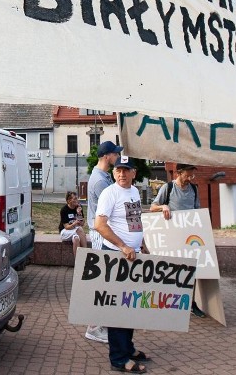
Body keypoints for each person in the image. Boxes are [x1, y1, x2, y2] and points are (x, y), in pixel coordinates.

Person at [95, 155, 151, 373]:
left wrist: (141, 243)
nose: (122, 174)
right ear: (113, 172)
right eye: (118, 170)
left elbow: (134, 221)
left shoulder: (134, 192)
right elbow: (100, 225)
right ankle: (119, 358)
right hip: (118, 256)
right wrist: (123, 246)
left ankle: (128, 348)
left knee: (130, 305)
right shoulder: (110, 193)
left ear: (134, 173)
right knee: (118, 308)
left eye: (126, 170)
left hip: (134, 256)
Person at [148, 162, 207, 318]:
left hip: (189, 238)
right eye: (187, 175)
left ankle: (191, 303)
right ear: (178, 173)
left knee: (191, 271)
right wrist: (164, 207)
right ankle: (169, 303)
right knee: (170, 270)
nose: (190, 178)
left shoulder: (194, 189)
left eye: (192, 175)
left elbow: (197, 211)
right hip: (171, 237)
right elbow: (152, 207)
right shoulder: (167, 188)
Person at [84, 140, 122, 343]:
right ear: (107, 156)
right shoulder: (99, 180)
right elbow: (112, 207)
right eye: (115, 154)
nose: (117, 157)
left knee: (106, 279)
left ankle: (101, 323)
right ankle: (94, 327)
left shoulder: (103, 176)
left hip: (103, 231)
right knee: (103, 280)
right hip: (101, 232)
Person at [59, 191, 87, 255]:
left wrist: (79, 213)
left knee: (76, 239)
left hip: (75, 230)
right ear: (69, 200)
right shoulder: (64, 210)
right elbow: (66, 227)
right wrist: (75, 223)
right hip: (65, 232)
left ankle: (77, 262)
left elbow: (82, 224)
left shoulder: (79, 207)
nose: (76, 201)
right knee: (79, 229)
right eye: (74, 199)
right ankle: (86, 253)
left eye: (77, 198)